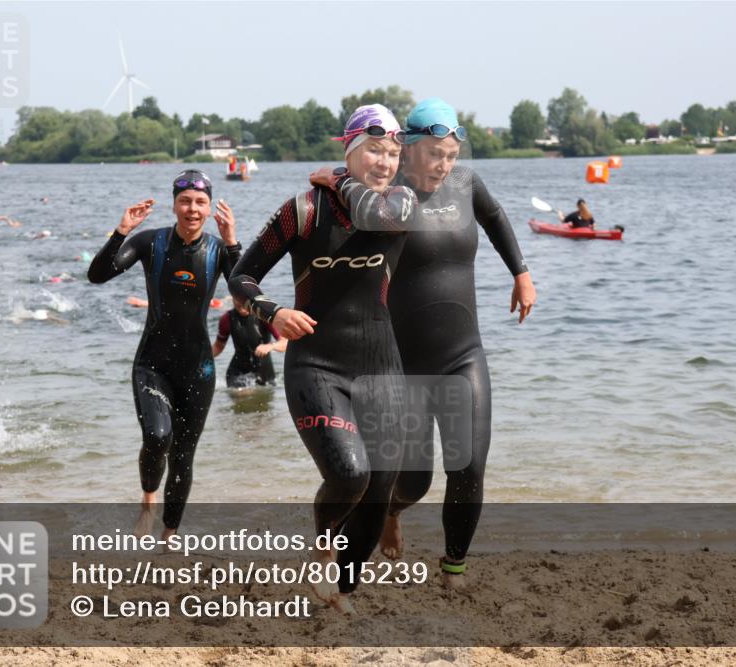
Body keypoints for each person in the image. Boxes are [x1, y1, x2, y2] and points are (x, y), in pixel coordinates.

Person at [311, 97, 536, 589]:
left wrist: (520, 273)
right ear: (406, 148)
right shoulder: (384, 198)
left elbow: (495, 218)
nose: (443, 164)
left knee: (470, 465)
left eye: (451, 154)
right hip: (399, 362)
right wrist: (338, 179)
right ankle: (384, 517)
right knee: (412, 481)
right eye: (434, 153)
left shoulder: (465, 184)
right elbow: (336, 260)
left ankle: (454, 567)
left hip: (462, 353)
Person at [229, 104, 417, 613]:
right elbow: (242, 278)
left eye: (393, 152)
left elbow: (366, 211)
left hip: (382, 365)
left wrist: (336, 177)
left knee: (380, 487)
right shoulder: (302, 211)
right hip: (316, 365)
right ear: (351, 148)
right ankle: (321, 550)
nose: (384, 161)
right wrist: (272, 312)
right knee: (350, 475)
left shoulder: (401, 204)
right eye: (373, 149)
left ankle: (341, 593)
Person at [88, 170, 241, 541]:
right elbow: (97, 275)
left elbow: (245, 295)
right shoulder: (150, 243)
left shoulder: (219, 250)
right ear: (174, 205)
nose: (192, 209)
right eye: (185, 201)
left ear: (209, 209)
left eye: (200, 202)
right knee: (158, 437)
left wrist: (233, 242)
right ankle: (147, 502)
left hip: (198, 368)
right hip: (152, 363)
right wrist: (120, 232)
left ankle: (169, 536)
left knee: (184, 457)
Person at [213, 302, 286, 388]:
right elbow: (218, 346)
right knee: (242, 394)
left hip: (264, 372)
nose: (241, 303)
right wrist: (201, 359)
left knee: (259, 397)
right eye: (238, 299)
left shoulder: (264, 316)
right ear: (233, 298)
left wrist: (270, 346)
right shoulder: (227, 318)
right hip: (237, 372)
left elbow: (285, 343)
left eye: (244, 299)